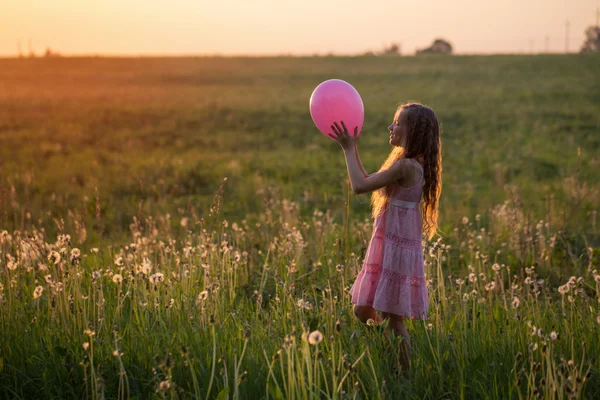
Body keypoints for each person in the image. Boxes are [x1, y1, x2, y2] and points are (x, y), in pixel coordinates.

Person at [328, 102, 442, 377]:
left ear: (412, 131)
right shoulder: (408, 162)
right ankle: (390, 354)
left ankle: (403, 375)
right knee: (362, 309)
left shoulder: (406, 166)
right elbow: (368, 178)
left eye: (397, 123)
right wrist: (353, 147)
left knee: (394, 318)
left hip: (396, 247)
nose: (391, 127)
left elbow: (359, 185)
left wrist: (346, 149)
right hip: (390, 243)